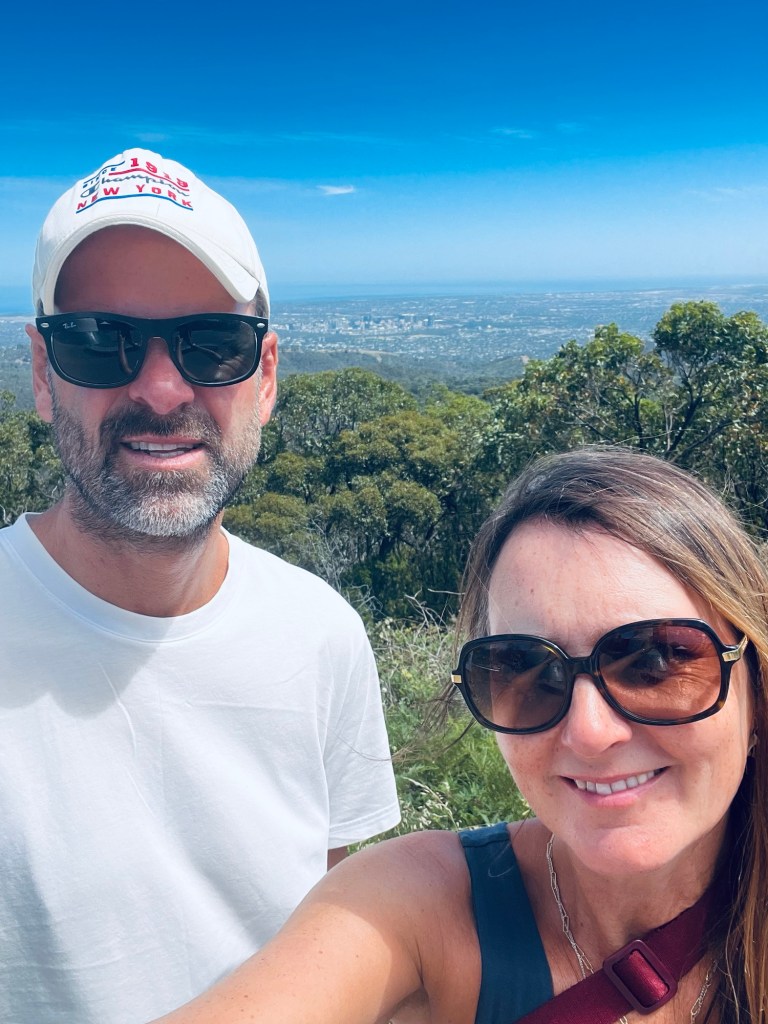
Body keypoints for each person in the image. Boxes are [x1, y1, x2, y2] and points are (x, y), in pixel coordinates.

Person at [153, 445, 767, 1024]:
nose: (588, 731)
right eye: (526, 668)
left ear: (756, 687)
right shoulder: (420, 904)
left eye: (658, 661)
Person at [0, 147, 400, 1023]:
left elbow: (331, 952)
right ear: (41, 372)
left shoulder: (321, 636)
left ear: (266, 377)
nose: (159, 387)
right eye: (98, 342)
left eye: (214, 345)